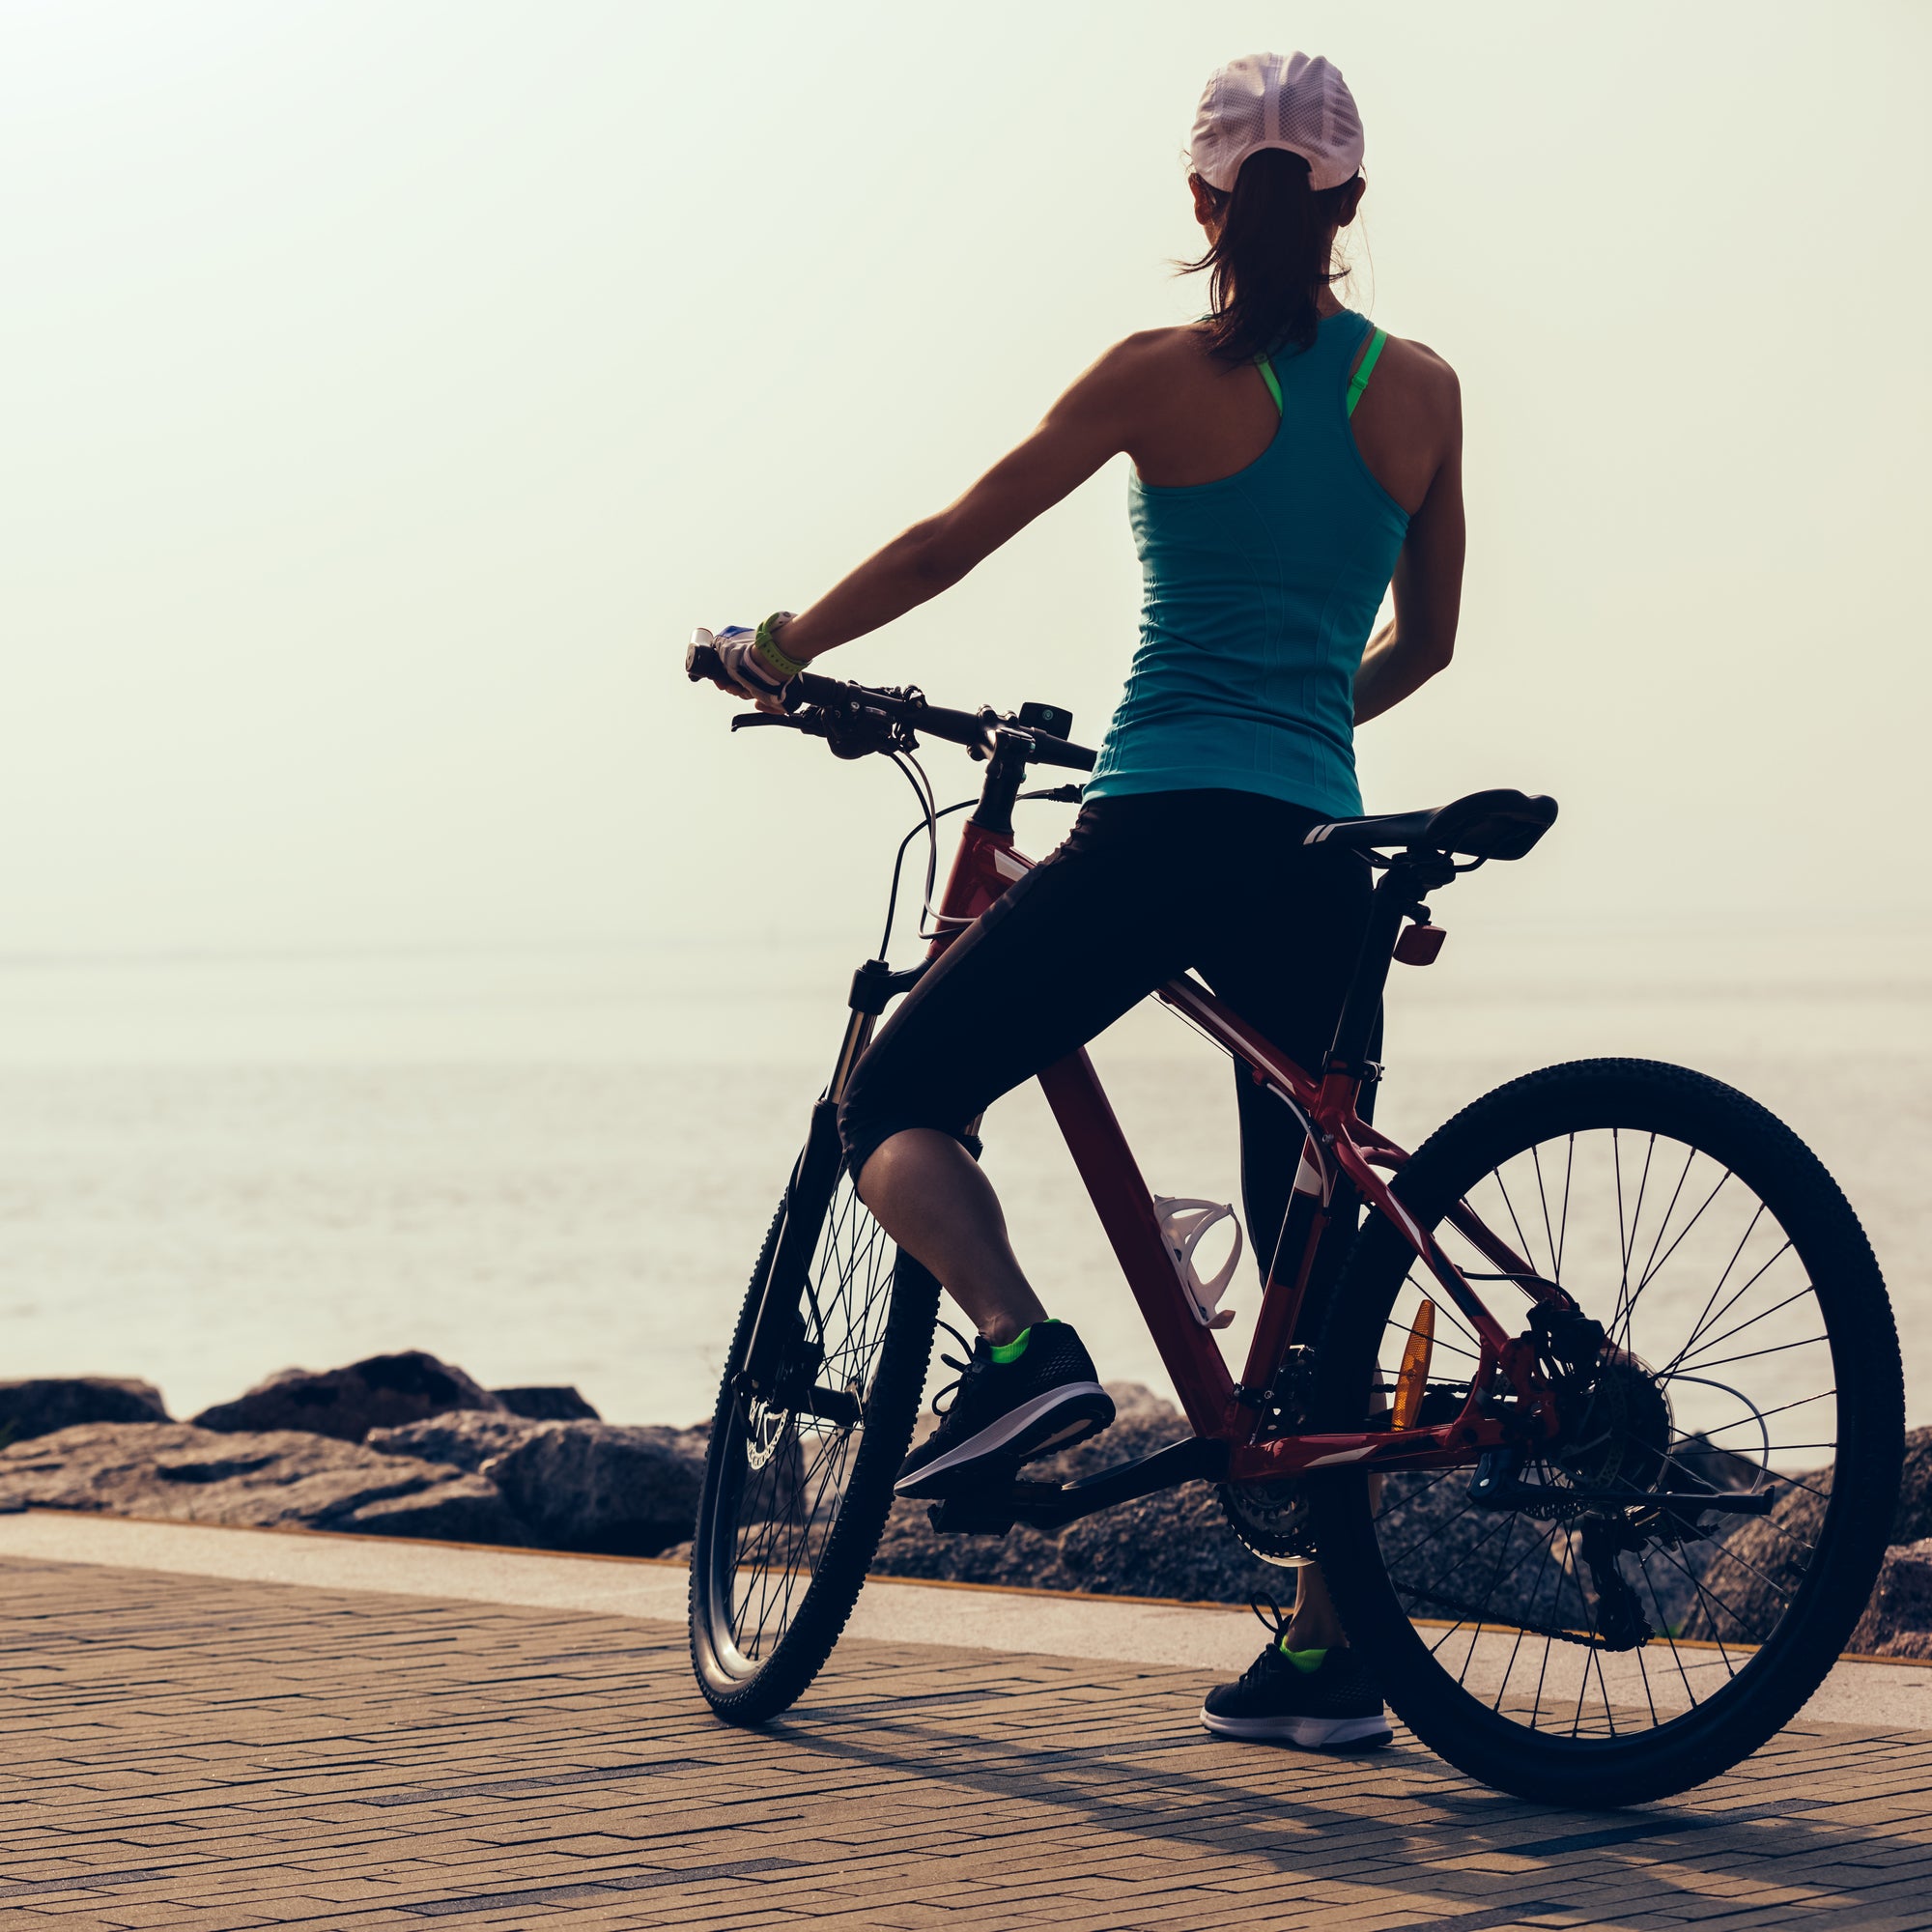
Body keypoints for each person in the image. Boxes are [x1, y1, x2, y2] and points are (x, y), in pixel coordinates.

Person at [703, 51, 1463, 1752]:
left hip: (1165, 819)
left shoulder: (1154, 376)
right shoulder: (1420, 390)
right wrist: (1300, 729)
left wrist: (785, 649)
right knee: (1313, 1248)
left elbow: (948, 544)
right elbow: (1429, 640)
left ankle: (1023, 1351)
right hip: (1317, 855)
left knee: (896, 1088)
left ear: (1201, 199)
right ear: (1349, 201)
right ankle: (1334, 1659)